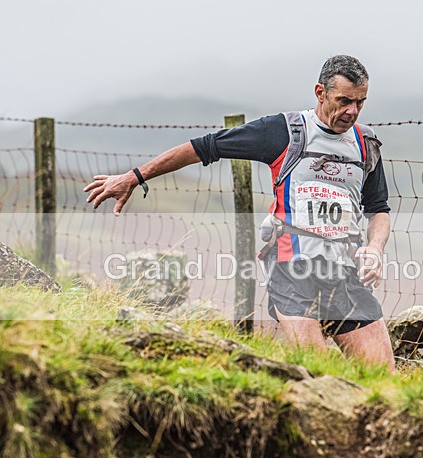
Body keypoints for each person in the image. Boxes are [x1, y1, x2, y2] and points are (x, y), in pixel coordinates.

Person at [84, 55, 395, 371]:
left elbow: (378, 209)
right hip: (292, 266)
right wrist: (135, 177)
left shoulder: (364, 142)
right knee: (318, 371)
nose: (352, 111)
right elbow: (202, 147)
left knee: (382, 374)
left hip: (343, 269)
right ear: (320, 92)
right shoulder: (285, 131)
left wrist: (374, 248)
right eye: (344, 101)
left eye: (360, 102)